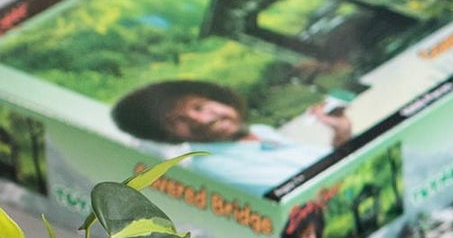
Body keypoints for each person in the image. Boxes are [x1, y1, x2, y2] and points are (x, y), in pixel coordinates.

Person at [110, 79, 353, 193]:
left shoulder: (260, 132)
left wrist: (341, 132)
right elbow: (323, 188)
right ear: (168, 136)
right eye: (179, 121)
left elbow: (332, 169)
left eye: (199, 106)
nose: (204, 119)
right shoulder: (211, 167)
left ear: (221, 99)